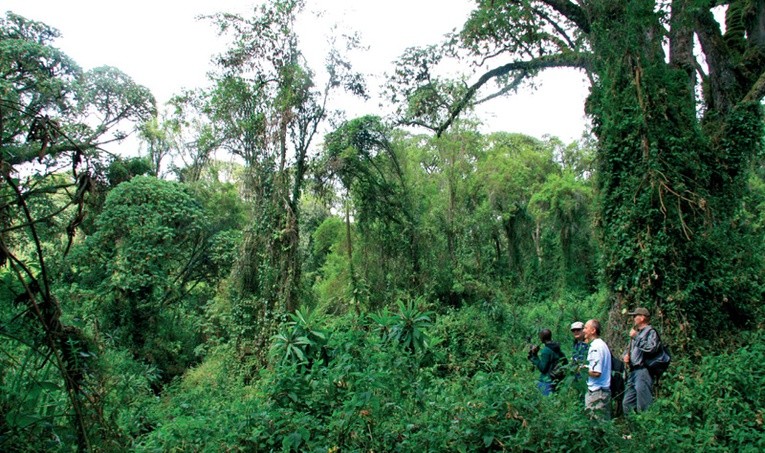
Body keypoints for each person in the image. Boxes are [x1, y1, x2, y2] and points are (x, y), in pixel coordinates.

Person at [622, 307, 659, 414]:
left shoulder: (650, 332)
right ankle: (632, 428)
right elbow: (628, 350)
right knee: (627, 403)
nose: (633, 318)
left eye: (635, 316)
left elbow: (651, 348)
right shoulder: (636, 332)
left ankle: (645, 427)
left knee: (643, 404)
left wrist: (636, 337)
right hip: (632, 372)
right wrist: (625, 356)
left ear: (642, 318)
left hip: (643, 371)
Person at [582, 319, 612, 420]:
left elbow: (596, 372)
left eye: (586, 328)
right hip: (600, 391)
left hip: (597, 393)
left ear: (593, 330)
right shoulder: (600, 345)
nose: (583, 330)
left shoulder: (596, 347)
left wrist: (581, 369)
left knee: (597, 425)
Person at [528, 328, 565, 396]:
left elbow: (543, 368)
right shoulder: (557, 347)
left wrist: (535, 356)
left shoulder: (546, 350)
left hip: (547, 381)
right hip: (556, 380)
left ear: (542, 338)